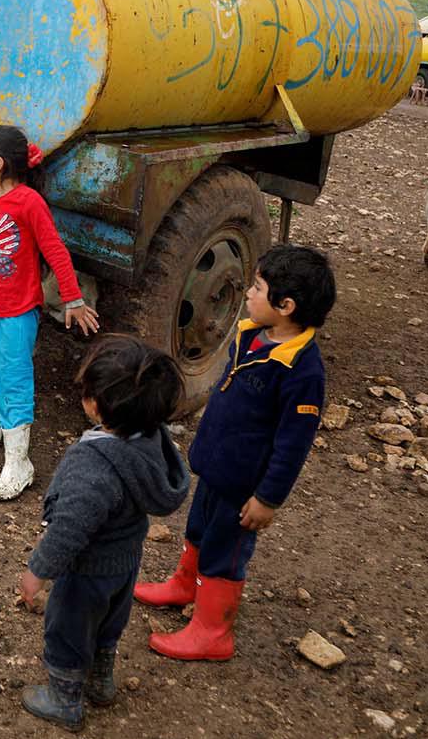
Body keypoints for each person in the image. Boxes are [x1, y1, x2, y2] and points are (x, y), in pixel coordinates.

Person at [136, 243, 336, 662]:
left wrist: (268, 499)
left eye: (257, 287)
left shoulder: (302, 372)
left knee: (225, 552)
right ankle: (185, 585)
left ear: (285, 305)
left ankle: (212, 631)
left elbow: (292, 444)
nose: (247, 292)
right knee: (199, 530)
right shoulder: (252, 335)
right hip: (216, 468)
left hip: (244, 485)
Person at [17, 335, 192, 731]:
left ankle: (65, 699)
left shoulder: (95, 465)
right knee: (109, 622)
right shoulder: (150, 440)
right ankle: (100, 681)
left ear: (96, 404)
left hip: (87, 569)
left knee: (68, 629)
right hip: (125, 562)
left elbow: (69, 529)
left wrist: (38, 571)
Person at [0, 124, 100, 500]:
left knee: (14, 378)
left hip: (17, 309)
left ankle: (19, 463)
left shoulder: (29, 202)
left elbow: (56, 251)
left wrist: (73, 299)